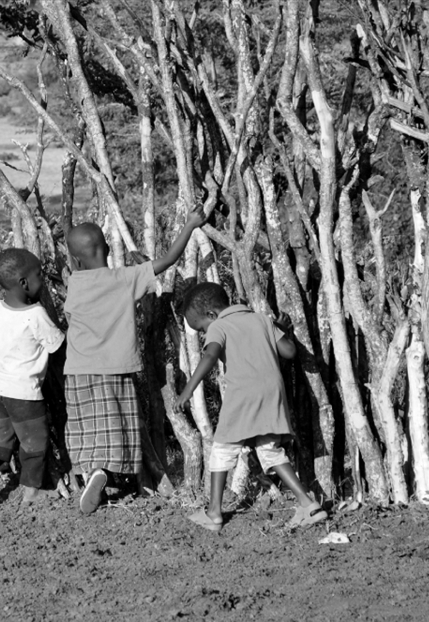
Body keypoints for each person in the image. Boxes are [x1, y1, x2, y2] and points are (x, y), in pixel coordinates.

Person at [64, 209, 206, 514]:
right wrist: (191, 224)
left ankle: (92, 471)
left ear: (75, 261)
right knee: (115, 422)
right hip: (116, 365)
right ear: (106, 249)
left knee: (85, 425)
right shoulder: (125, 278)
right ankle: (107, 470)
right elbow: (167, 260)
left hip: (78, 368)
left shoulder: (75, 283)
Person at [176, 283, 326, 532]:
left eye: (201, 327)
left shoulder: (220, 326)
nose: (204, 333)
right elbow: (289, 352)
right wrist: (282, 330)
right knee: (270, 450)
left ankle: (214, 512)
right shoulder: (262, 320)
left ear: (212, 315)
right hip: (272, 394)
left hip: (242, 395)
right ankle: (309, 505)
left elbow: (210, 356)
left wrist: (188, 389)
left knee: (222, 450)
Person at [0, 248, 64, 512]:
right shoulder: (36, 314)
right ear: (24, 283)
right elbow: (58, 347)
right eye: (39, 275)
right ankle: (31, 493)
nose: (42, 279)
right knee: (34, 444)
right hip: (24, 394)